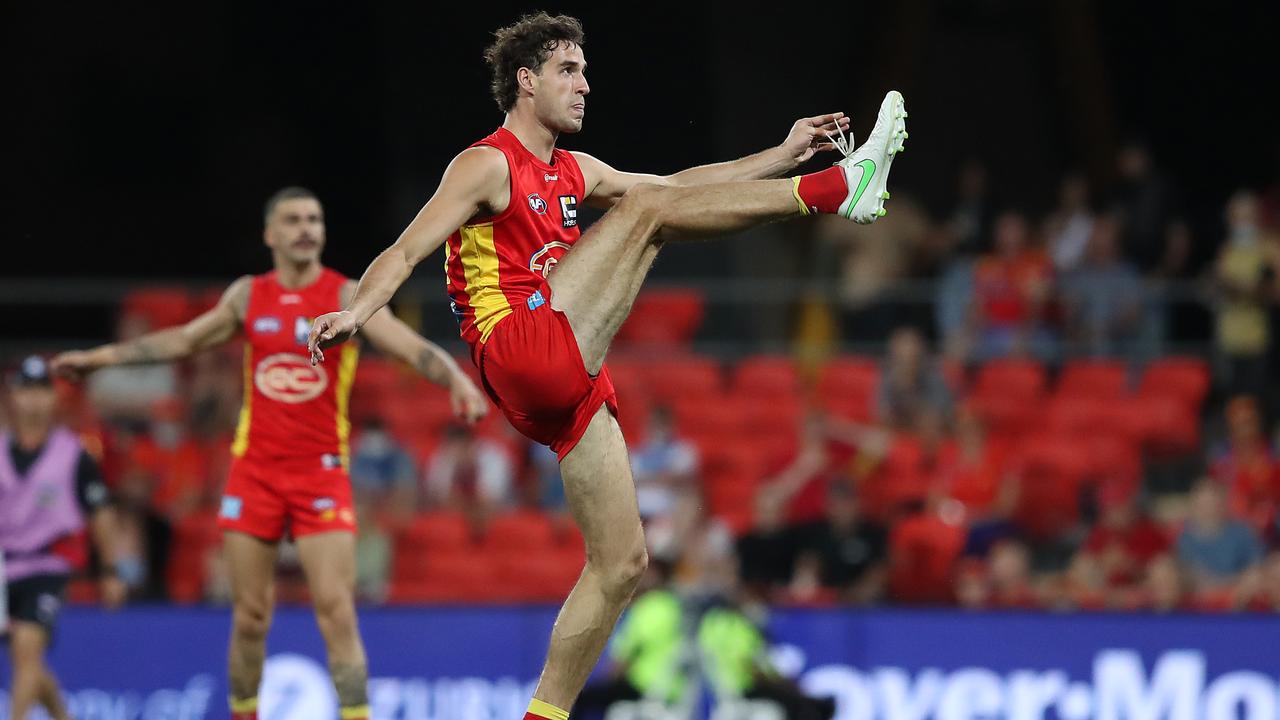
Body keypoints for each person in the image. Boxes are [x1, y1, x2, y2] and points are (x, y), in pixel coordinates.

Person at [307, 13, 907, 719]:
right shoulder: (487, 163)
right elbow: (405, 252)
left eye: (585, 71)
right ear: (525, 82)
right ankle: (840, 191)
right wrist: (359, 311)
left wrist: (780, 152)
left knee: (623, 565)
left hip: (564, 382)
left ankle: (543, 715)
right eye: (568, 71)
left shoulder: (575, 170)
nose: (585, 85)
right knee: (648, 213)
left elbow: (678, 191)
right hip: (519, 348)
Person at [51, 187, 488, 720]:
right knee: (251, 617)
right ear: (270, 234)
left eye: (314, 219)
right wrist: (99, 359)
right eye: (294, 219)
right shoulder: (247, 297)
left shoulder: (349, 295)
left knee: (337, 613)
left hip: (320, 475)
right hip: (254, 472)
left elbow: (411, 347)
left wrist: (456, 382)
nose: (306, 228)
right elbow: (184, 341)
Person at [1, 356, 126, 720]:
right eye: (26, 391)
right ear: (14, 396)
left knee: (26, 646)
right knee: (29, 661)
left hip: (49, 564)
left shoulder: (73, 455)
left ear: (53, 398)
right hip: (5, 567)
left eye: (41, 391)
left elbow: (101, 513)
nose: (34, 401)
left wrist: (111, 570)